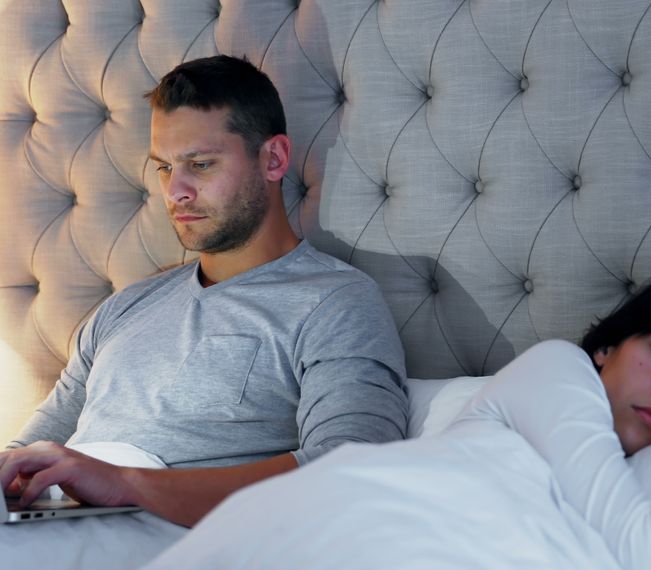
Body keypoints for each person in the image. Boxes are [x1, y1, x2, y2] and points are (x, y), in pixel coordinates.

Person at [142, 276, 651, 569]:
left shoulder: (630, 481)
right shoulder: (557, 368)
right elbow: (644, 548)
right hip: (364, 524)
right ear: (607, 350)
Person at [0, 55, 409, 528]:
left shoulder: (334, 302)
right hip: (53, 530)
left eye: (200, 164)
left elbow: (350, 466)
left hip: (171, 538)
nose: (176, 192)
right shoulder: (125, 308)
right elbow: (23, 458)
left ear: (273, 159)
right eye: (164, 168)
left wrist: (127, 484)